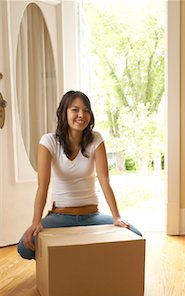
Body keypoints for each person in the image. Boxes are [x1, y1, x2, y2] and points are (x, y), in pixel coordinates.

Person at [17, 90, 142, 260]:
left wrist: (116, 217)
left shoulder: (96, 139)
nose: (81, 115)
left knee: (135, 235)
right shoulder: (49, 141)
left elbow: (104, 179)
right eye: (75, 110)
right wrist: (36, 221)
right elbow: (43, 185)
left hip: (92, 215)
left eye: (86, 110)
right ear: (64, 112)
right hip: (60, 216)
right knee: (25, 248)